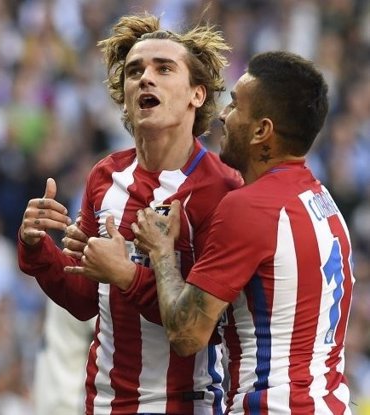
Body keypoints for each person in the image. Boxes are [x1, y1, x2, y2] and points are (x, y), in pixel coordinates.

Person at [18, 13, 242, 414]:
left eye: (164, 68)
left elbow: (197, 329)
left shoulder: (222, 190)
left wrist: (125, 273)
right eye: (135, 71)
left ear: (197, 95)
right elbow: (85, 299)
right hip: (103, 403)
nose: (145, 78)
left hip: (184, 405)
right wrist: (37, 248)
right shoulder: (104, 176)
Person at [132, 51, 354, 413]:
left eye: (234, 106)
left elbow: (186, 334)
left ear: (261, 131)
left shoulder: (249, 207)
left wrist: (160, 251)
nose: (222, 115)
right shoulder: (323, 201)